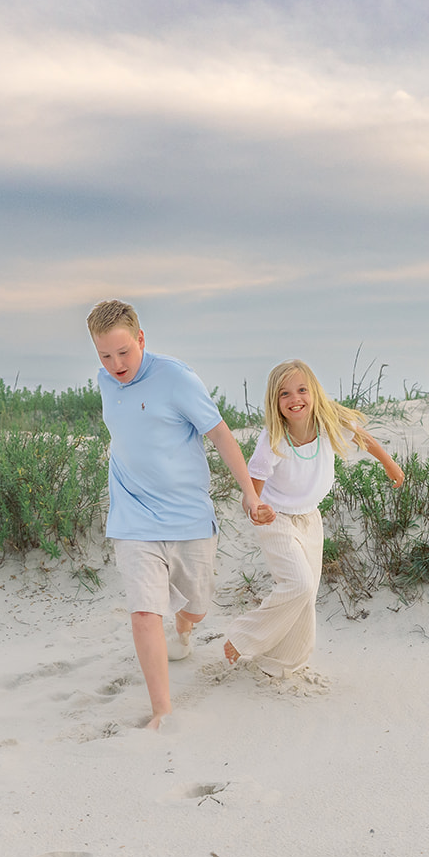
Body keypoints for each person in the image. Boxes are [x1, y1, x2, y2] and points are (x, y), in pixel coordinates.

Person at [88, 299, 266, 730]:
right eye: (105, 355)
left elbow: (220, 434)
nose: (115, 364)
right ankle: (162, 711)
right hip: (133, 516)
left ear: (141, 339)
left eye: (124, 352)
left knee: (196, 607)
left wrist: (249, 493)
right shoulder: (104, 380)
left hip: (188, 517)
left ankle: (186, 627)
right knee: (145, 612)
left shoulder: (177, 378)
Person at [224, 358, 404, 676]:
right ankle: (241, 637)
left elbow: (366, 440)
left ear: (314, 392)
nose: (295, 399)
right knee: (299, 583)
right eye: (285, 394)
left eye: (302, 390)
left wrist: (390, 465)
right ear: (274, 402)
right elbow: (250, 495)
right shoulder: (272, 441)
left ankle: (281, 661)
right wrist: (256, 510)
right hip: (276, 520)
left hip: (310, 519)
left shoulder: (329, 423)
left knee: (307, 595)